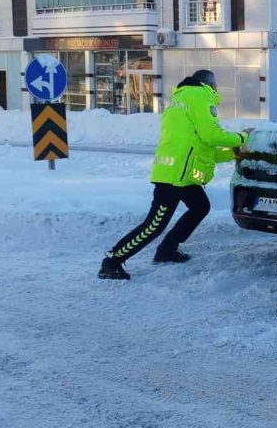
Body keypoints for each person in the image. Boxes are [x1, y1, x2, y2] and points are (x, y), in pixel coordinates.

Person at [99, 70, 249, 280]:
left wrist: (233, 153)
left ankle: (167, 249)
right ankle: (112, 261)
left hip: (182, 172)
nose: (217, 88)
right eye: (216, 84)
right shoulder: (199, 97)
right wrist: (241, 138)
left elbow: (204, 148)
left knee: (200, 206)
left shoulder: (182, 98)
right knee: (154, 224)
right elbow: (211, 135)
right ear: (208, 84)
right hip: (175, 174)